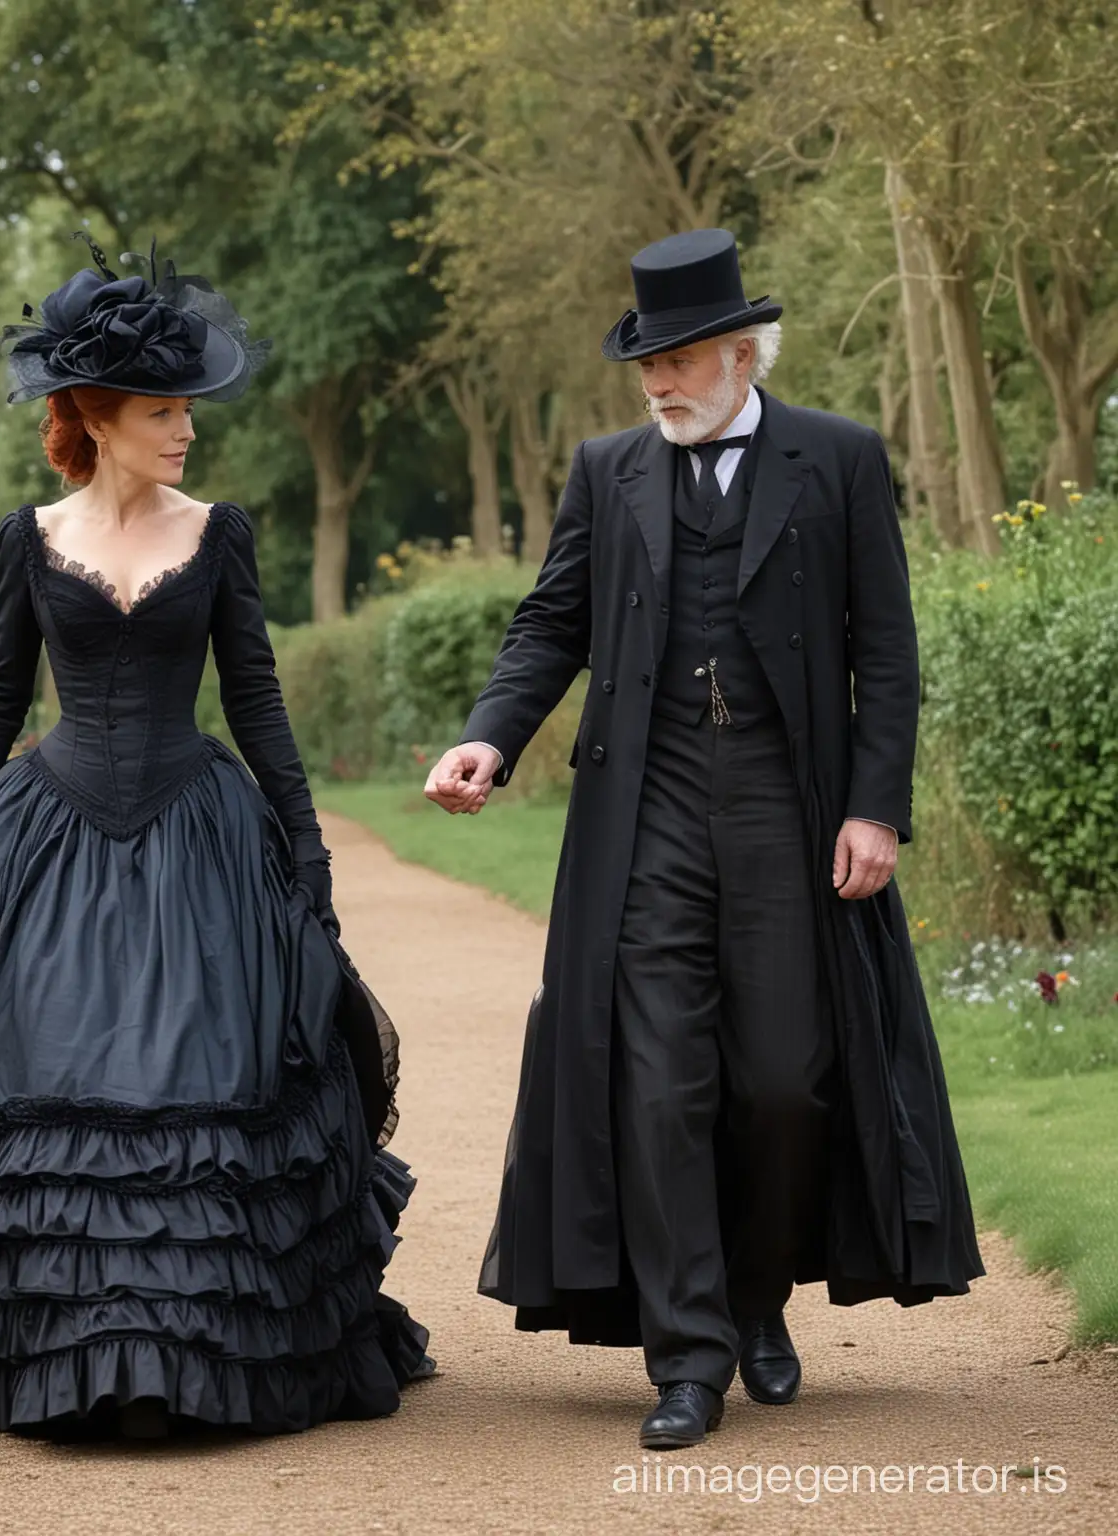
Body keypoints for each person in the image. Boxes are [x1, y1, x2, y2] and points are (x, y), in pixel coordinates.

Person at [0, 236, 431, 1440]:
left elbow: (255, 701)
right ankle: (57, 1354)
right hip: (47, 832)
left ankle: (192, 1358)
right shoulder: (30, 537)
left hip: (198, 838)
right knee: (39, 1081)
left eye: (189, 410)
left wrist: (306, 855)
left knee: (209, 1083)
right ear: (99, 417)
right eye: (167, 410)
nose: (189, 429)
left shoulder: (220, 534)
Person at [424, 229, 982, 1451]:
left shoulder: (838, 458)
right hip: (649, 814)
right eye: (644, 368)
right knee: (659, 1082)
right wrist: (489, 738)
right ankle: (689, 1357)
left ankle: (754, 1296)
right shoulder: (608, 469)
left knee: (785, 1081)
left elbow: (885, 651)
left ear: (740, 353)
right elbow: (550, 622)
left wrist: (877, 806)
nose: (657, 385)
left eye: (675, 363)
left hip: (792, 812)